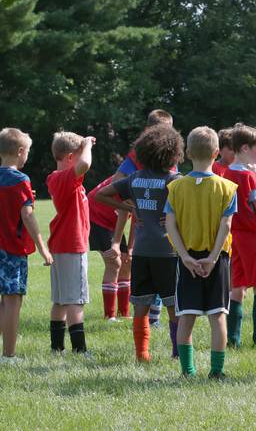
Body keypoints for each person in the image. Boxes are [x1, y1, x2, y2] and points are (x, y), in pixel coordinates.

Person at [94, 124, 184, 361]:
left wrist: (128, 207)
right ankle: (178, 353)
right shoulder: (176, 180)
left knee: (141, 306)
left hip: (142, 251)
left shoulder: (134, 179)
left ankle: (142, 354)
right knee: (174, 306)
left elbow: (99, 194)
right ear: (174, 154)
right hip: (169, 251)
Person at [165, 126, 237, 379]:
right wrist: (214, 256)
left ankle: (188, 371)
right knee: (218, 315)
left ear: (186, 153)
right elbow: (226, 225)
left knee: (186, 315)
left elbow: (169, 224)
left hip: (187, 258)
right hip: (217, 258)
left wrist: (184, 256)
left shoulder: (176, 187)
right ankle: (216, 371)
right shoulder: (228, 188)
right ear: (217, 153)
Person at [0, 128, 53, 360]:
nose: (27, 155)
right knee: (14, 301)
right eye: (27, 151)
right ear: (20, 152)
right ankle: (9, 356)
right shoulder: (21, 180)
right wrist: (43, 248)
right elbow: (27, 216)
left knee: (6, 299)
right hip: (11, 248)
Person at [113, 109, 175, 328]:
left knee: (157, 281)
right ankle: (154, 322)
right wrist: (132, 205)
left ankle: (154, 321)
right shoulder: (136, 156)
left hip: (162, 232)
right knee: (154, 282)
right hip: (150, 231)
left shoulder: (170, 160)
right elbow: (119, 179)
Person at [222, 124, 256, 348]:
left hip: (234, 235)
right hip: (254, 235)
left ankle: (233, 338)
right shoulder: (248, 177)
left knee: (237, 286)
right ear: (244, 148)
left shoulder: (228, 172)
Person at [47, 131, 95, 355]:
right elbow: (85, 163)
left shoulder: (55, 178)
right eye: (77, 154)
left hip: (60, 245)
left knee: (60, 299)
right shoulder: (65, 178)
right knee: (76, 299)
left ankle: (57, 347)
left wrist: (83, 146)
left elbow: (81, 162)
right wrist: (87, 146)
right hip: (72, 245)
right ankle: (80, 349)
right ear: (69, 158)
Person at [87, 175, 131, 321]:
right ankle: (109, 316)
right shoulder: (134, 179)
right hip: (96, 217)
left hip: (112, 219)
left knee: (126, 262)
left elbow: (137, 219)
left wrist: (130, 249)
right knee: (114, 262)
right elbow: (124, 211)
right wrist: (116, 244)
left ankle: (123, 314)